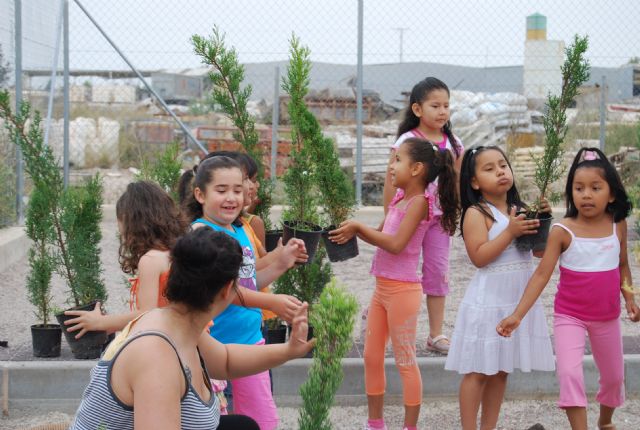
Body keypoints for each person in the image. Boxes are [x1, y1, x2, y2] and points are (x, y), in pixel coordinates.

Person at [70, 227, 315, 429]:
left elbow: (226, 361)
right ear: (226, 289)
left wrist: (290, 350)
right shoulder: (157, 358)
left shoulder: (177, 322)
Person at [497, 147, 640, 430]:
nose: (586, 194)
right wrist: (517, 315)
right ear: (570, 193)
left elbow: (623, 265)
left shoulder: (618, 226)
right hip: (569, 317)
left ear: (611, 194)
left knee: (613, 378)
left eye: (595, 188)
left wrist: (630, 298)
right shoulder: (563, 231)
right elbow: (540, 276)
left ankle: (605, 421)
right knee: (569, 375)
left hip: (607, 317)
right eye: (579, 188)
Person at [330, 137, 459, 430]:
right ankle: (375, 423)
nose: (391, 166)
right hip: (382, 291)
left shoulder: (420, 204)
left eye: (397, 160)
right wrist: (354, 230)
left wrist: (359, 228)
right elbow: (384, 232)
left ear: (416, 169)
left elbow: (397, 244)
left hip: (402, 292)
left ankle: (409, 427)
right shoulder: (400, 199)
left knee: (405, 360)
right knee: (372, 357)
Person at [182, 155, 307, 430]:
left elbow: (247, 282)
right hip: (215, 349)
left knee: (262, 421)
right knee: (217, 420)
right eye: (222, 190)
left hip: (250, 341)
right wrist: (270, 300)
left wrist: (282, 263)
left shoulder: (238, 230)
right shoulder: (202, 234)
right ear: (200, 194)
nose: (231, 198)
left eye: (237, 190)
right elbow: (222, 291)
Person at [444, 145, 555, 430]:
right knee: (478, 371)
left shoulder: (519, 210)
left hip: (515, 300)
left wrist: (544, 220)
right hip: (488, 300)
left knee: (501, 370)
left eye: (503, 165)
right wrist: (509, 232)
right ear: (474, 181)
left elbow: (538, 254)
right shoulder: (476, 213)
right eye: (489, 169)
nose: (500, 172)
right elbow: (479, 258)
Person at [382, 77, 464, 355]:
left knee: (437, 272)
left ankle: (435, 334)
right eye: (435, 105)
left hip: (440, 220)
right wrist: (389, 216)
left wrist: (458, 212)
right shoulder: (407, 141)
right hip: (408, 219)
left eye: (446, 105)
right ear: (417, 109)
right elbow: (391, 180)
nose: (442, 111)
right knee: (400, 271)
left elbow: (458, 182)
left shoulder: (453, 143)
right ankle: (388, 325)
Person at [63, 181, 188, 338]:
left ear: (131, 221)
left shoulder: (150, 260)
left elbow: (146, 314)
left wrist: (100, 322)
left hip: (166, 341)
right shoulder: (177, 252)